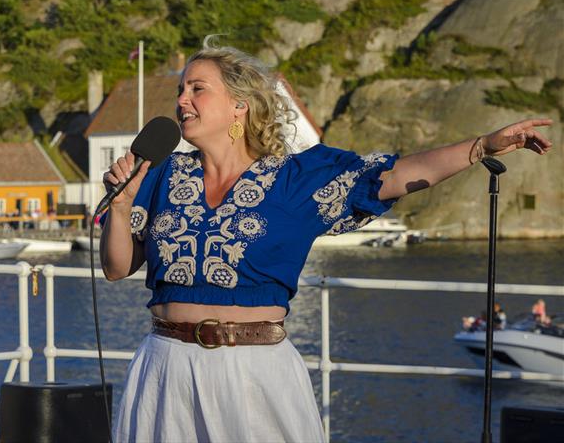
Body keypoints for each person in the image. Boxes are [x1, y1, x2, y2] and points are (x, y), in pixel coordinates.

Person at [99, 37, 553, 442]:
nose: (182, 100)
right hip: (166, 367)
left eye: (197, 88)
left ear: (240, 104)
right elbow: (118, 267)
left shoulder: (297, 179)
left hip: (253, 372)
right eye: (181, 89)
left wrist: (481, 147)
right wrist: (121, 206)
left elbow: (397, 176)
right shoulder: (160, 174)